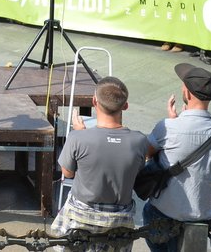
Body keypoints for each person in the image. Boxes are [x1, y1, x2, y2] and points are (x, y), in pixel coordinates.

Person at [144, 64, 211, 252]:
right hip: (200, 220)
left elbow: (146, 153)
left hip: (163, 215)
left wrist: (173, 121)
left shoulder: (167, 127)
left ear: (188, 92)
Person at [50, 77, 147, 250]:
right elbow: (138, 172)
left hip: (81, 217)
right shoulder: (139, 141)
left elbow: (67, 172)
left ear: (94, 101)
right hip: (119, 221)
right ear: (125, 106)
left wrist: (78, 135)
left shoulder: (78, 138)